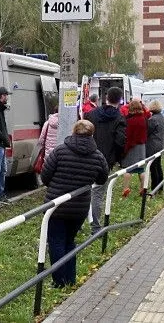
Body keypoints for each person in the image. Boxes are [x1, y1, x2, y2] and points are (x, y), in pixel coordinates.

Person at [40, 120, 109, 288]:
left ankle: (59, 282)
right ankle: (70, 279)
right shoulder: (98, 155)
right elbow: (102, 178)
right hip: (79, 207)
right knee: (69, 241)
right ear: (92, 134)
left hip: (56, 206)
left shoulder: (60, 151)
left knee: (56, 242)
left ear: (74, 131)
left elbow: (45, 176)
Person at [84, 87, 126, 235]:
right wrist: (117, 158)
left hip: (87, 156)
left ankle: (79, 224)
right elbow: (120, 141)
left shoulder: (91, 114)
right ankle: (95, 227)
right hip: (105, 160)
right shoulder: (120, 118)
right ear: (120, 100)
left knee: (82, 191)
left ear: (106, 97)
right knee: (98, 193)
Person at [121, 100, 148, 195]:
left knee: (128, 169)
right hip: (141, 147)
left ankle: (126, 188)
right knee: (141, 169)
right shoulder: (143, 118)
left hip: (132, 146)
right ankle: (143, 187)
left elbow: (128, 135)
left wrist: (125, 149)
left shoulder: (129, 120)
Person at [146, 100, 164, 191]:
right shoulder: (161, 117)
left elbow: (148, 131)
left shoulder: (152, 119)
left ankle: (155, 187)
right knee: (158, 166)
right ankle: (160, 186)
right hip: (160, 144)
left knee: (153, 167)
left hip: (152, 145)